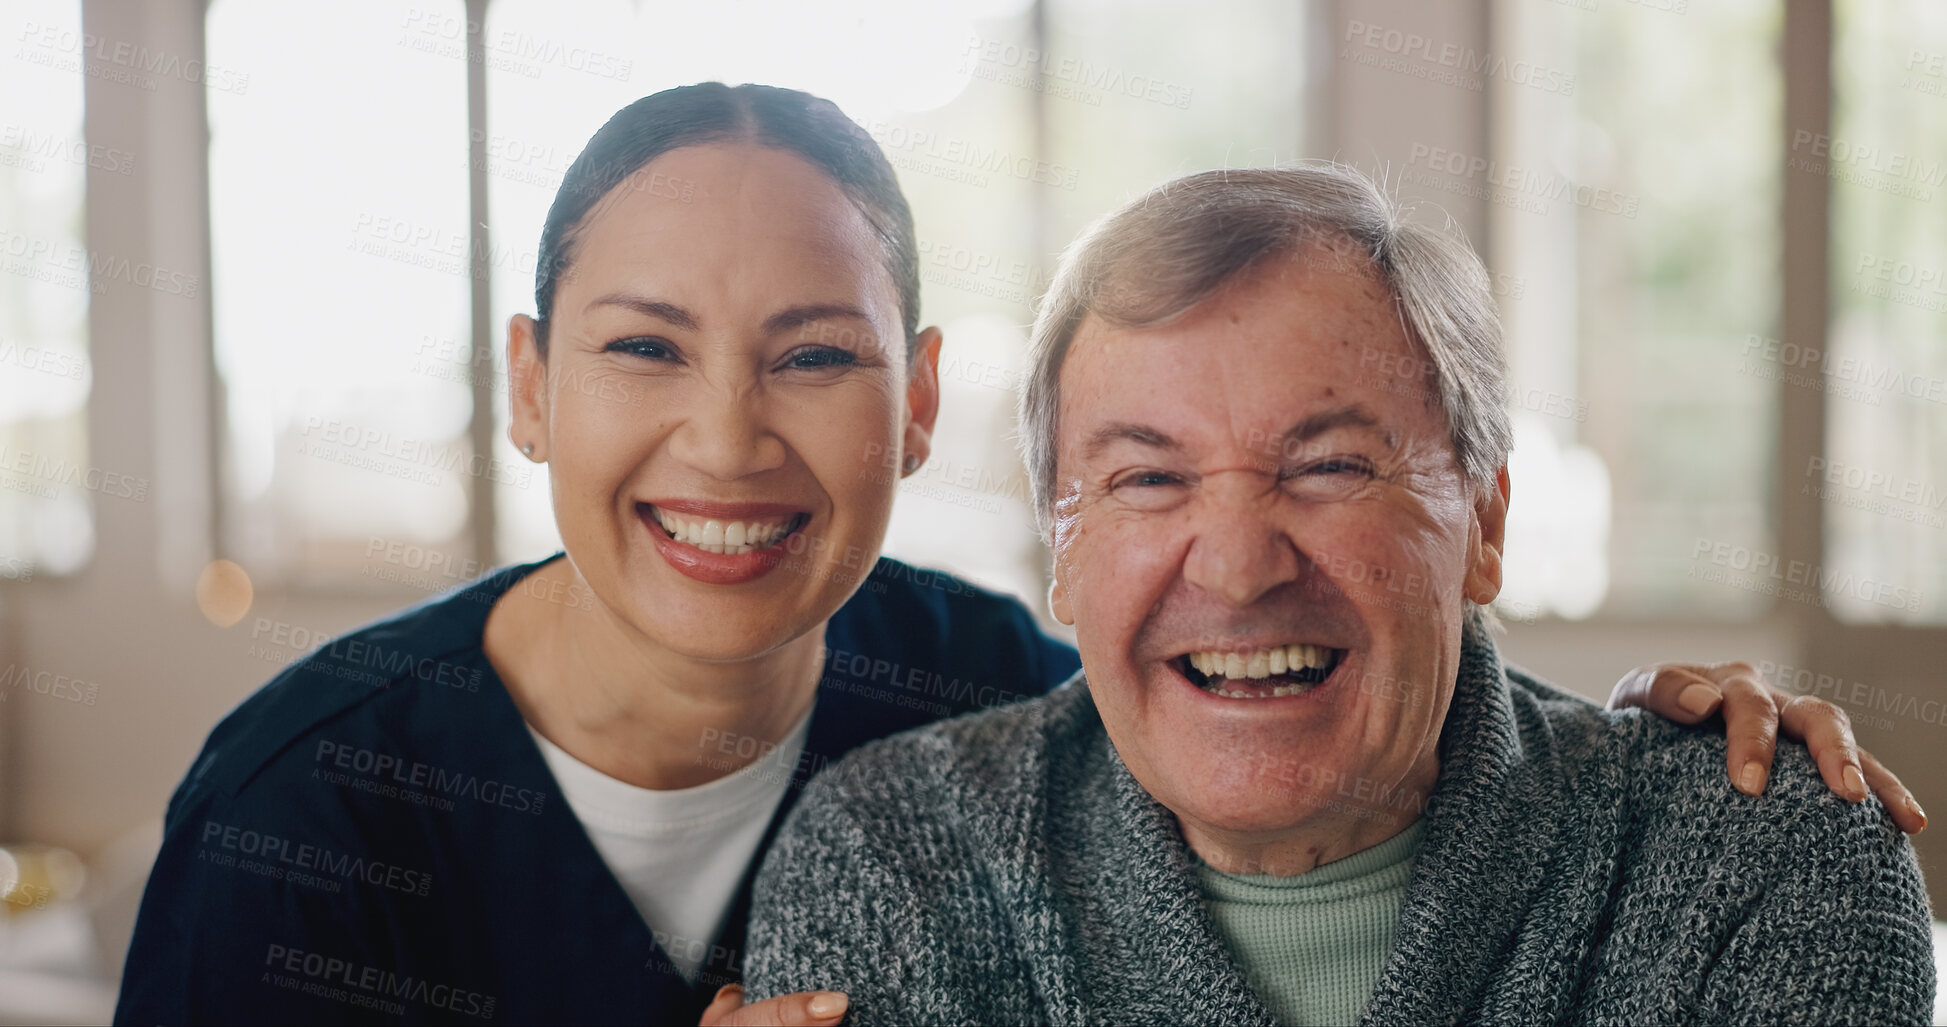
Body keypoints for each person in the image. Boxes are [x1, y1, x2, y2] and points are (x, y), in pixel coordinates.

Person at [114, 85, 1915, 1027]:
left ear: (914, 405)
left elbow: (1273, 698)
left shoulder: (998, 684)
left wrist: (1666, 750)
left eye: (813, 353)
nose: (730, 437)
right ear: (525, 386)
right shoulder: (314, 806)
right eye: (642, 345)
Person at [743, 163, 1938, 1025]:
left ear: (1487, 521)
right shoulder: (889, 855)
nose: (1237, 564)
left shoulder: (1765, 857)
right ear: (1060, 546)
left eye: (1327, 468)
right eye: (1146, 478)